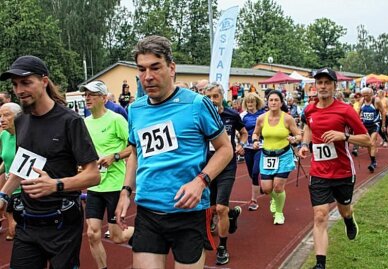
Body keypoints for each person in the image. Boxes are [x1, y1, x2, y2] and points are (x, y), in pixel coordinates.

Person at [114, 35, 232, 269]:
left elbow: (225, 149)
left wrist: (201, 182)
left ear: (171, 67)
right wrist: (125, 191)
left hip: (188, 214)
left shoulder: (197, 104)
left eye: (155, 67)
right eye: (142, 69)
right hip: (148, 211)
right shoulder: (135, 109)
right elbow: (136, 152)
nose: (147, 76)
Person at [0, 55, 100, 269]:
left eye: (26, 82)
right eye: (15, 85)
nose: (19, 90)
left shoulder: (70, 121)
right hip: (27, 222)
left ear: (44, 82)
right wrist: (3, 194)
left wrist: (56, 185)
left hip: (62, 223)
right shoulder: (21, 121)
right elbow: (22, 165)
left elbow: (93, 175)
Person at [298, 68, 370, 269]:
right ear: (315, 86)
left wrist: (344, 136)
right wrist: (304, 145)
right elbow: (308, 127)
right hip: (318, 172)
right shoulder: (309, 110)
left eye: (327, 82)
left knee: (344, 209)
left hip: (343, 172)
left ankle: (348, 219)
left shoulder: (345, 110)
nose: (322, 86)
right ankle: (320, 264)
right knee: (320, 215)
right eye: (319, 82)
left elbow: (366, 140)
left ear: (334, 86)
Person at [81, 80, 134, 269]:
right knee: (92, 233)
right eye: (85, 94)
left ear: (103, 98)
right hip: (95, 185)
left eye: (92, 94)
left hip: (115, 184)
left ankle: (144, 233)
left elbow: (134, 147)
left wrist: (115, 156)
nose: (87, 98)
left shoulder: (116, 119)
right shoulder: (84, 123)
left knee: (117, 237)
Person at [204, 82, 247, 265]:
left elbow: (243, 133)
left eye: (216, 96)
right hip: (207, 165)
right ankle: (231, 215)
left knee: (220, 208)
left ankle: (222, 246)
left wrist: (241, 144)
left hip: (227, 165)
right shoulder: (201, 116)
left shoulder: (231, 115)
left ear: (222, 97)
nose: (213, 100)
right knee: (211, 209)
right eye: (209, 97)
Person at [252, 90, 302, 225]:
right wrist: (255, 141)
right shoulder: (261, 118)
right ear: (267, 102)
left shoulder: (287, 118)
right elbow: (255, 133)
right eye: (271, 100)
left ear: (281, 103)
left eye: (276, 100)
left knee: (278, 187)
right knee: (267, 189)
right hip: (267, 156)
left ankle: (279, 213)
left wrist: (294, 139)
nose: (273, 102)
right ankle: (275, 198)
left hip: (283, 155)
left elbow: (299, 134)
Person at [240, 93, 265, 211]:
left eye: (252, 102)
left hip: (261, 146)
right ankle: (258, 184)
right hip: (247, 147)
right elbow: (238, 129)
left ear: (256, 103)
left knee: (255, 172)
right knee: (251, 173)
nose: (250, 104)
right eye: (248, 102)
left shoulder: (263, 114)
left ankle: (254, 200)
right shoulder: (242, 116)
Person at [0, 103, 22, 241]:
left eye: (6, 115)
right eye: (0, 116)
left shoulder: (26, 135)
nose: (1, 119)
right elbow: (5, 160)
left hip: (26, 191)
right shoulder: (3, 136)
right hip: (10, 192)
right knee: (15, 232)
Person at [359, 87, 386, 172]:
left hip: (375, 124)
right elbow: (358, 112)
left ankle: (373, 163)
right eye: (364, 95)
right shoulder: (362, 100)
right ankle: (373, 160)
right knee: (368, 144)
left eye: (367, 95)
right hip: (365, 125)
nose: (365, 97)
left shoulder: (376, 101)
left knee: (372, 142)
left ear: (371, 94)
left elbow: (383, 112)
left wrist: (383, 125)